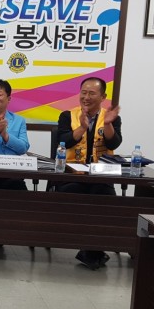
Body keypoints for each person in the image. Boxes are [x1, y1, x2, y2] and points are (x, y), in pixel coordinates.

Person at [56, 76, 122, 270]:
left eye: (91, 93)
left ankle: (90, 250)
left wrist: (108, 124)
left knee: (105, 199)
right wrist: (82, 128)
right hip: (71, 174)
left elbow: (114, 143)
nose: (86, 97)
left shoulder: (111, 117)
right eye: (83, 93)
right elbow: (63, 141)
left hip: (101, 176)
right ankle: (92, 251)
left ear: (103, 97)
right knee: (75, 196)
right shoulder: (68, 115)